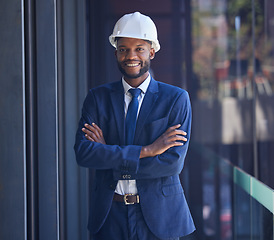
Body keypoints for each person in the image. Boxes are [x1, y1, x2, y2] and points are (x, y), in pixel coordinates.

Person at [74, 11, 196, 240]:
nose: (131, 56)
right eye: (123, 49)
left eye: (139, 48)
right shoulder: (97, 98)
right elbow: (84, 154)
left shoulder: (176, 99)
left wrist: (107, 154)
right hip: (110, 216)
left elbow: (172, 163)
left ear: (151, 51)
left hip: (160, 218)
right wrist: (147, 151)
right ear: (116, 53)